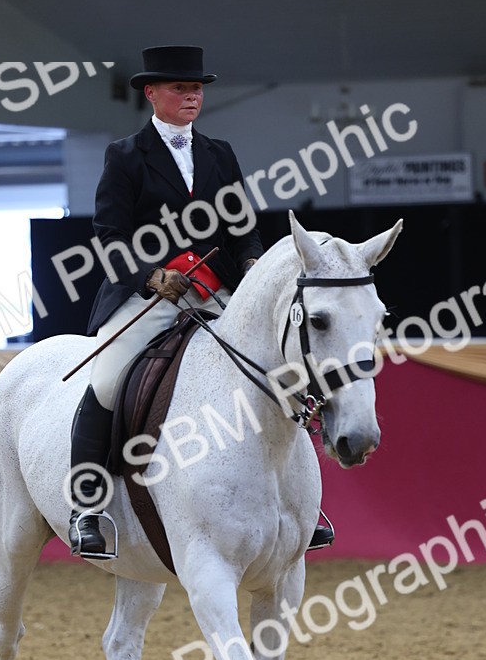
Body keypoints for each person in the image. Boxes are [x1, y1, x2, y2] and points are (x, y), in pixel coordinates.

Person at [68, 44, 336, 559]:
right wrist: (151, 274)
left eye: (196, 89)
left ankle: (303, 503)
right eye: (180, 88)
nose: (191, 96)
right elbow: (108, 234)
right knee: (106, 379)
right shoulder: (124, 156)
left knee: (280, 373)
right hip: (148, 297)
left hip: (214, 291)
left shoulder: (219, 153)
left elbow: (242, 228)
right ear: (152, 93)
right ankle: (88, 506)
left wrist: (253, 264)